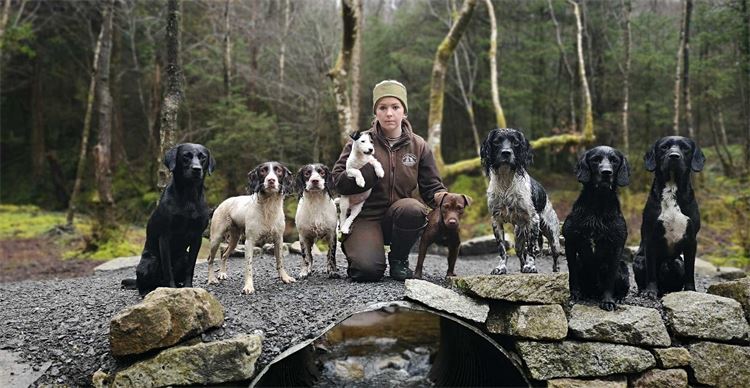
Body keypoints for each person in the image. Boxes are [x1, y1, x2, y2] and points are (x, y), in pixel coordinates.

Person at [332, 80, 447, 281]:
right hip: (364, 216)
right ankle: (360, 250)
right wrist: (367, 172)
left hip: (399, 216)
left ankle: (399, 259)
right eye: (382, 108)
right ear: (375, 112)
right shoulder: (361, 141)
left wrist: (446, 201)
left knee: (414, 208)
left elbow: (432, 187)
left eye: (395, 107)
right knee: (367, 271)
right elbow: (337, 181)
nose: (389, 113)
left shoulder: (419, 145)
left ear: (404, 112)